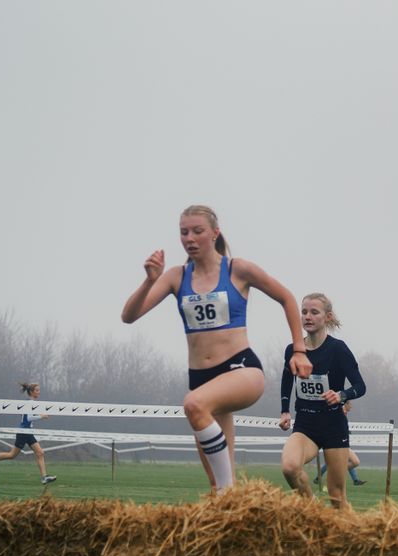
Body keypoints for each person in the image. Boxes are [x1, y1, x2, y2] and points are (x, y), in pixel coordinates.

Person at [121, 204, 308, 492]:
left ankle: (227, 491)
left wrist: (299, 350)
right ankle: (227, 500)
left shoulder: (238, 269)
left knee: (193, 405)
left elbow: (286, 297)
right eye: (184, 232)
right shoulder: (176, 277)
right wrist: (149, 281)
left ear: (214, 233)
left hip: (240, 369)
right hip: (202, 379)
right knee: (216, 482)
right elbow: (129, 316)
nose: (190, 238)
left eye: (197, 231)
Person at [277, 292, 366, 509]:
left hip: (333, 427)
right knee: (289, 467)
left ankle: (350, 535)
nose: (308, 316)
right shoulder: (293, 350)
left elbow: (360, 386)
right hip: (305, 426)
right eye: (304, 312)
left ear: (327, 317)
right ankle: (314, 511)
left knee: (337, 497)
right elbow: (287, 380)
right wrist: (285, 411)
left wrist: (341, 395)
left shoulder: (338, 349)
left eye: (314, 312)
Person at [0, 381, 56, 485]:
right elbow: (29, 418)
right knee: (12, 455)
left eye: (39, 390)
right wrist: (42, 416)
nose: (39, 392)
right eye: (37, 390)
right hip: (23, 432)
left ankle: (44, 477)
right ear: (31, 392)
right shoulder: (30, 403)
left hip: (27, 432)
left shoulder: (31, 403)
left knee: (39, 453)